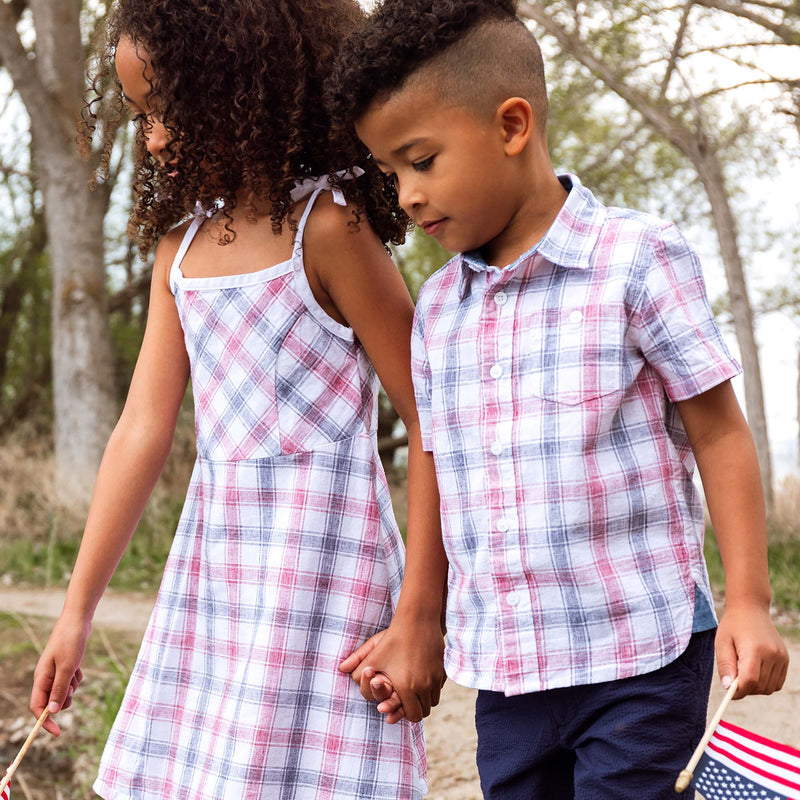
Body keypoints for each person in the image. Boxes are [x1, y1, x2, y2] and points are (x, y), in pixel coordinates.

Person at [327, 0, 790, 797]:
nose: (404, 194)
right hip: (508, 678)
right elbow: (436, 464)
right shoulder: (438, 309)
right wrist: (419, 618)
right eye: (390, 173)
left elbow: (719, 434)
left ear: (512, 126)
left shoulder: (638, 261)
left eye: (422, 160)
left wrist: (747, 601)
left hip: (641, 661)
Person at [29, 1, 445, 797]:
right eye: (140, 116)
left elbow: (432, 419)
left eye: (164, 110)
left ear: (236, 90)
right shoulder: (178, 249)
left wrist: (421, 612)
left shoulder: (328, 229)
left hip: (326, 574)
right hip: (217, 575)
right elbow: (141, 430)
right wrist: (76, 612)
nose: (152, 137)